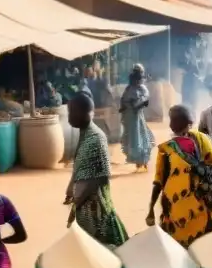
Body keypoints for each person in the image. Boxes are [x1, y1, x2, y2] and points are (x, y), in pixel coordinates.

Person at [148, 105, 212, 247]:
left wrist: (151, 209)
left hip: (173, 205)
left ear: (171, 126)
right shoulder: (201, 140)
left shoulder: (166, 149)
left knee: (176, 246)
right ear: (190, 123)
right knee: (201, 243)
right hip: (198, 203)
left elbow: (158, 181)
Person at [65, 92, 129, 247]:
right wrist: (70, 189)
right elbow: (80, 167)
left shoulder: (96, 138)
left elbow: (102, 176)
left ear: (86, 113)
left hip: (97, 209)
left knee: (102, 249)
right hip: (84, 206)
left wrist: (79, 198)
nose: (70, 116)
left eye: (73, 112)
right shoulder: (84, 135)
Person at [119, 63, 154, 172]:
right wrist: (125, 106)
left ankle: (142, 161)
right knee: (133, 138)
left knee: (140, 136)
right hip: (130, 117)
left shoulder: (142, 89)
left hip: (137, 116)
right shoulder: (129, 88)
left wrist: (135, 105)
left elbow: (145, 101)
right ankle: (139, 162)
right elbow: (123, 101)